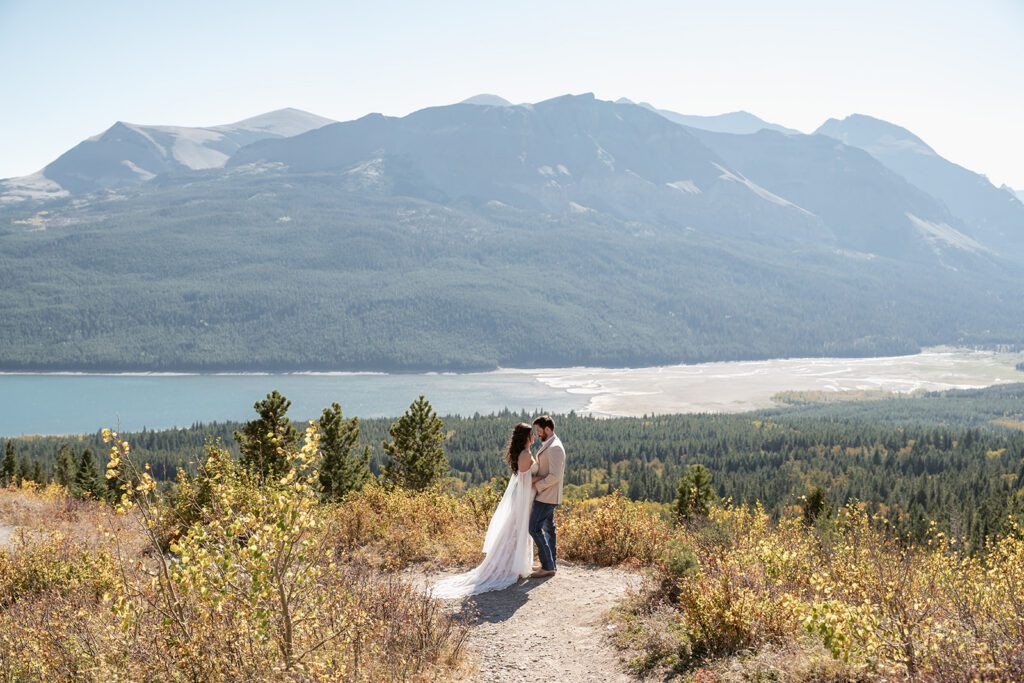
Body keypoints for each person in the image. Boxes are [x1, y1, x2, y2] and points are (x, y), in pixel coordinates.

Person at [430, 423, 537, 599]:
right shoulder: (525, 455)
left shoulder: (524, 453)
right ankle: (510, 565)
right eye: (531, 434)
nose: (534, 437)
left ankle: (514, 564)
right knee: (516, 528)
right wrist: (545, 478)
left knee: (517, 528)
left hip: (524, 496)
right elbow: (527, 481)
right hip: (523, 497)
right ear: (526, 437)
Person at [529, 415, 565, 578]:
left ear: (548, 430)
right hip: (546, 494)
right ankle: (551, 564)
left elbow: (555, 476)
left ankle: (548, 565)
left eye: (539, 430)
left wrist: (536, 485)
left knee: (534, 528)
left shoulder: (555, 447)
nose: (537, 433)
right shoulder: (549, 444)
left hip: (547, 495)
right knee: (549, 529)